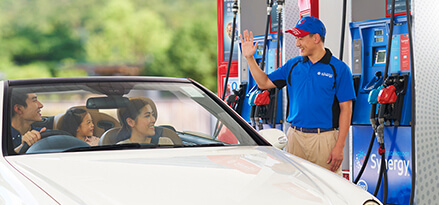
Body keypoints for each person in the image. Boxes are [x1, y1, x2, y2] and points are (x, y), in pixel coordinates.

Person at [240, 16, 356, 175]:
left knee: (327, 193)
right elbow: (264, 83)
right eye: (296, 38)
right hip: (295, 138)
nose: (297, 43)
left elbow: (346, 109)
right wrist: (249, 58)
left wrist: (339, 147)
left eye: (301, 38)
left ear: (316, 38)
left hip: (324, 139)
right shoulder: (292, 65)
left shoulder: (339, 69)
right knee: (295, 191)